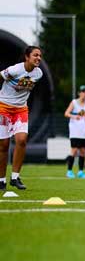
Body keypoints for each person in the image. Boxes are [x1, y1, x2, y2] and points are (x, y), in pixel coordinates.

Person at [0, 45, 44, 191]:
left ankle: (15, 178)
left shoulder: (38, 73)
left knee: (22, 140)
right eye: (35, 55)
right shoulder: (15, 70)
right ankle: (1, 180)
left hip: (20, 109)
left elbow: (24, 87)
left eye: (40, 56)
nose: (38, 58)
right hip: (3, 107)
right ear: (27, 57)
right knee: (4, 145)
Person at [64, 85, 85, 178]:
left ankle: (80, 172)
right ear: (79, 93)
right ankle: (69, 171)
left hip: (84, 131)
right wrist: (74, 116)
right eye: (83, 92)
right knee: (74, 150)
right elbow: (66, 113)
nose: (84, 94)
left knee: (83, 151)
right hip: (75, 131)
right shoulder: (74, 102)